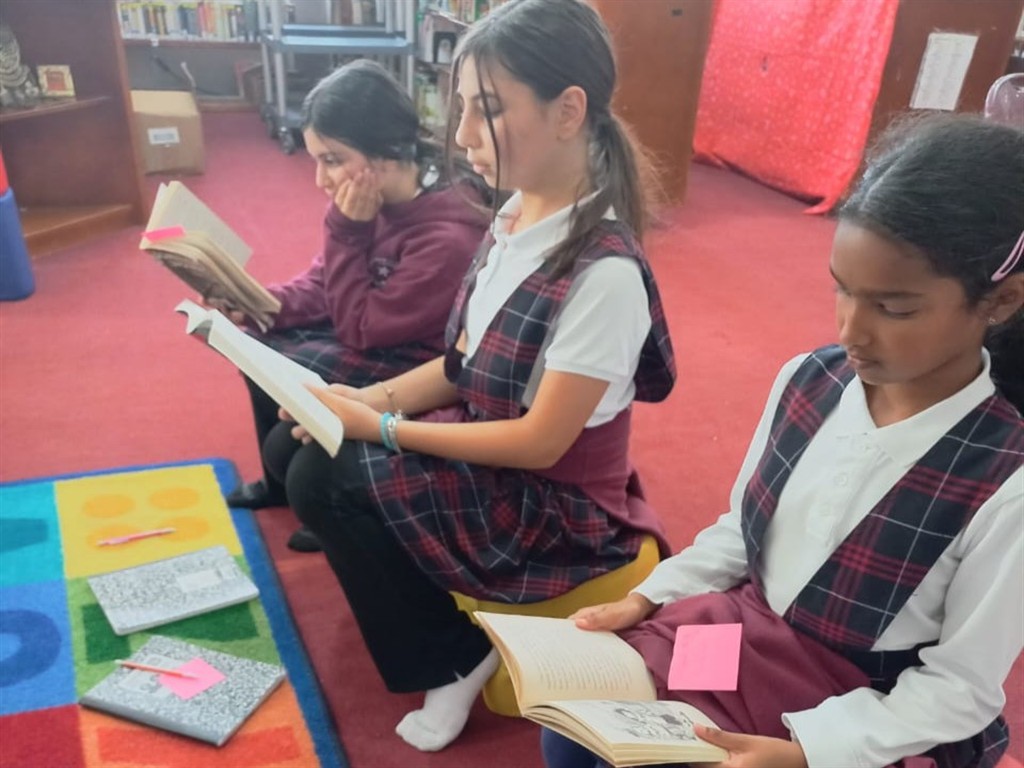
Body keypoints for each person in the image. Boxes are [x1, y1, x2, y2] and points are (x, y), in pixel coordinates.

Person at [543, 113, 1024, 768]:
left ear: (1001, 301)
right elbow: (744, 531)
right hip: (745, 637)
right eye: (842, 290)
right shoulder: (810, 378)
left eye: (894, 308)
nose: (851, 331)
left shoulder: (1004, 479)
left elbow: (959, 688)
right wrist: (648, 596)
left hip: (859, 704)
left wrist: (805, 751)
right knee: (577, 728)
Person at [264, 0, 677, 752]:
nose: (460, 136)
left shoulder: (605, 272)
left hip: (555, 508)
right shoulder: (513, 216)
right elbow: (464, 367)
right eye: (460, 108)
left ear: (568, 111)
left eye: (486, 110)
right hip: (491, 447)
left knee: (325, 477)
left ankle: (453, 658)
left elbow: (542, 443)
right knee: (303, 443)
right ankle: (434, 614)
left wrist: (384, 427)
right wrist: (365, 399)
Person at [222, 59, 488, 552]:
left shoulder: (445, 237)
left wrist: (346, 231)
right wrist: (261, 304)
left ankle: (321, 507)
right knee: (257, 339)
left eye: (331, 159)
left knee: (285, 375)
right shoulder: (374, 198)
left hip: (415, 362)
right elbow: (326, 281)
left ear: (385, 154)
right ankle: (280, 488)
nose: (320, 179)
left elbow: (360, 328)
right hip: (375, 330)